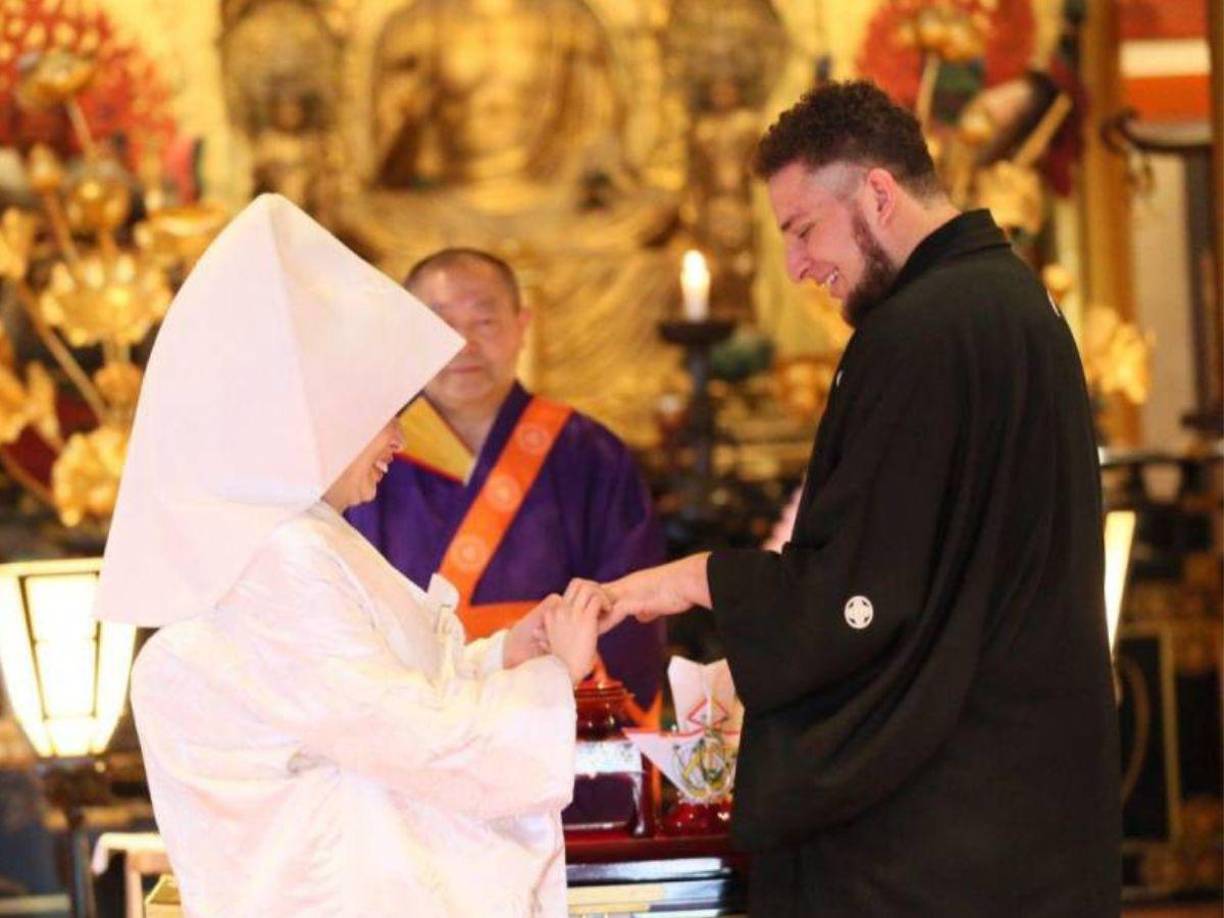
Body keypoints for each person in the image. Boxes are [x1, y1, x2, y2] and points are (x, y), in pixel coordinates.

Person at [591, 81, 1121, 915]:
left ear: (877, 192)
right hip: (1034, 800)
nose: (798, 266)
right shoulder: (1016, 301)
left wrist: (690, 579)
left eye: (803, 229)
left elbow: (855, 598)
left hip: (941, 831)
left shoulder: (915, 334)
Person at [94, 194, 601, 916]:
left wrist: (502, 658)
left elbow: (375, 699)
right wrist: (555, 677)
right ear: (316, 418)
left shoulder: (306, 536)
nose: (400, 438)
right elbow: (405, 736)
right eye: (385, 414)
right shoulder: (282, 554)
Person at [347, 248, 665, 725]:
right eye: (440, 325)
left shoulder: (589, 454)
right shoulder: (363, 458)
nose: (463, 345)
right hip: (411, 723)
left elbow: (628, 601)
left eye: (485, 322)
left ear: (522, 325)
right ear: (407, 336)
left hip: (555, 720)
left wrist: (571, 702)